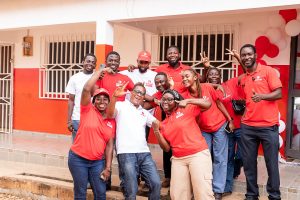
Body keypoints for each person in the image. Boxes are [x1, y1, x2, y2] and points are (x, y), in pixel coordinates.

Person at [180, 68, 233, 200]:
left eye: (187, 76)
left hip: (219, 125)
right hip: (203, 129)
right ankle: (203, 187)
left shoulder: (207, 87)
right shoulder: (185, 96)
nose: (184, 79)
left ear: (195, 77)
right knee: (203, 159)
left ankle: (218, 189)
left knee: (220, 158)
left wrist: (229, 120)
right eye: (183, 78)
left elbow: (219, 103)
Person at [152, 89, 214, 200]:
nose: (165, 102)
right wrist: (156, 131)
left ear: (176, 101)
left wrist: (189, 101)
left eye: (169, 99)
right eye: (163, 99)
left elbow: (208, 104)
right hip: (178, 159)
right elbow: (166, 148)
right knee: (178, 195)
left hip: (197, 155)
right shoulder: (163, 124)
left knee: (203, 193)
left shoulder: (186, 109)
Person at [239, 44, 282, 200]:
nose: (246, 57)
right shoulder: (244, 78)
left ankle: (274, 196)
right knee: (249, 164)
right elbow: (247, 101)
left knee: (271, 164)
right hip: (248, 127)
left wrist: (262, 96)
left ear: (256, 55)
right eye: (243, 55)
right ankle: (251, 195)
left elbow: (279, 93)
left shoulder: (268, 71)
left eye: (249, 54)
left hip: (268, 127)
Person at [107, 82, 161, 200]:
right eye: (136, 91)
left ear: (143, 97)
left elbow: (158, 124)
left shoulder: (144, 112)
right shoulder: (120, 105)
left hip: (144, 154)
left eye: (142, 93)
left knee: (156, 183)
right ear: (131, 93)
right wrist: (114, 97)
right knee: (131, 189)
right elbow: (110, 115)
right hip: (126, 153)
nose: (138, 95)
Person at [68, 67, 115, 200]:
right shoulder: (87, 110)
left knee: (100, 193)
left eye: (105, 99)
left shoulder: (111, 121)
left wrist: (108, 168)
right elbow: (86, 89)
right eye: (98, 99)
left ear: (109, 102)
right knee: (80, 193)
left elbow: (109, 146)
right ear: (93, 102)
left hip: (97, 162)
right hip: (78, 159)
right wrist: (101, 71)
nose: (102, 101)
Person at [143, 72, 172, 188]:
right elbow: (145, 106)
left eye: (161, 81)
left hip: (180, 125)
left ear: (168, 81)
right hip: (166, 125)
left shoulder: (176, 89)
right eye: (156, 82)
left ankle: (177, 177)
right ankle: (168, 177)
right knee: (166, 150)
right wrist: (143, 95)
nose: (159, 84)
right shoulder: (159, 94)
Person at [66, 53, 96, 142]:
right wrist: (68, 120)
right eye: (88, 61)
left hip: (93, 118)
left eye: (93, 62)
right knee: (77, 146)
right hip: (77, 118)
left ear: (95, 65)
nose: (90, 64)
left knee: (90, 145)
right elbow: (71, 100)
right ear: (83, 62)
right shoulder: (74, 78)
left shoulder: (98, 77)